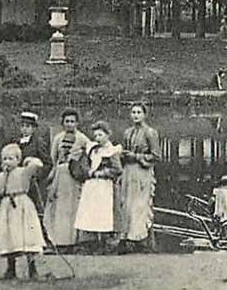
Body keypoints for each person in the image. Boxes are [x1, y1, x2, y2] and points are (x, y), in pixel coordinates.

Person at [0, 144, 46, 280]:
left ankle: (32, 270)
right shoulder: (0, 176)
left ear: (17, 160)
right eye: (4, 159)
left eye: (11, 159)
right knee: (9, 236)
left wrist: (30, 160)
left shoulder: (23, 172)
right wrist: (4, 175)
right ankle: (11, 269)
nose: (7, 162)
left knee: (27, 235)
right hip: (8, 207)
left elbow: (38, 165)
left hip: (22, 205)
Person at [43, 108, 90, 251]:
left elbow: (91, 155)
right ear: (63, 123)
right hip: (60, 175)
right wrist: (50, 178)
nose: (70, 124)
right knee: (58, 208)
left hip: (74, 177)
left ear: (77, 123)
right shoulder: (58, 138)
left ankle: (74, 242)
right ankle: (58, 241)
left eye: (72, 121)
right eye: (67, 121)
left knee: (73, 208)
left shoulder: (82, 138)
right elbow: (53, 159)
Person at [117, 103, 160, 254]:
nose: (135, 115)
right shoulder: (127, 132)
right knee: (126, 204)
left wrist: (136, 156)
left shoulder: (150, 133)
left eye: (138, 112)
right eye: (133, 112)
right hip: (128, 172)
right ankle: (127, 237)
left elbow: (155, 156)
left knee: (140, 206)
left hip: (142, 172)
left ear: (144, 114)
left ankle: (141, 239)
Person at [74, 120, 123, 253]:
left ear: (107, 135)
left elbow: (118, 169)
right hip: (92, 185)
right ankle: (92, 242)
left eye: (101, 135)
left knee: (104, 213)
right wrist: (88, 171)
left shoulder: (111, 151)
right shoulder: (92, 149)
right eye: (96, 136)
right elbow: (84, 163)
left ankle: (107, 243)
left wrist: (102, 173)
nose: (98, 138)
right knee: (91, 212)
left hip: (104, 186)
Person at [16, 112, 52, 220]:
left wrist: (36, 174)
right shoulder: (16, 142)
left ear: (34, 128)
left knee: (34, 210)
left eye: (28, 126)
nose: (25, 129)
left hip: (33, 183)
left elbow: (48, 163)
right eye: (22, 126)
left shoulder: (38, 143)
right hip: (18, 181)